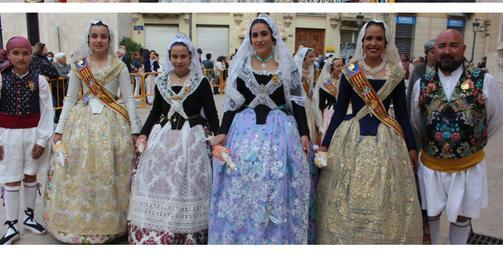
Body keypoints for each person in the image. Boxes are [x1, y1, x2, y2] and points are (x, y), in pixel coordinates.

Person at [208, 15, 311, 244]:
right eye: (255, 35)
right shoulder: (241, 66)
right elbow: (232, 104)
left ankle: (272, 239)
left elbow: (297, 102)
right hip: (244, 132)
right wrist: (223, 132)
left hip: (279, 134)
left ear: (273, 36)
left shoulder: (287, 67)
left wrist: (304, 134)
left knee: (275, 182)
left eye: (264, 33)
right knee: (242, 182)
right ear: (250, 39)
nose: (259, 39)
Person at [317, 19, 422, 243]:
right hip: (351, 138)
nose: (373, 43)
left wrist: (412, 146)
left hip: (386, 139)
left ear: (386, 42)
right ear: (362, 42)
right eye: (369, 38)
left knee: (385, 197)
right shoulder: (350, 72)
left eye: (378, 38)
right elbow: (338, 112)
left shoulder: (395, 73)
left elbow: (402, 114)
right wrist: (325, 144)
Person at [45, 21, 140, 243]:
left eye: (103, 36)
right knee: (78, 169)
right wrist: (59, 130)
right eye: (94, 36)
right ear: (88, 39)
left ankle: (110, 223)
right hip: (81, 122)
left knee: (111, 170)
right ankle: (78, 222)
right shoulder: (79, 66)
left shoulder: (120, 66)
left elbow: (127, 98)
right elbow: (70, 98)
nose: (98, 40)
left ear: (109, 40)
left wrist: (135, 129)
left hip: (113, 122)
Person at [411, 29, 503, 244]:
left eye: (453, 46)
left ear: (463, 49)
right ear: (434, 51)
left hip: (468, 167)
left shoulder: (484, 80)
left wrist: (472, 139)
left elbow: (496, 117)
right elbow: (417, 121)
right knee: (430, 214)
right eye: (442, 46)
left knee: (462, 217)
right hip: (431, 166)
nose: (447, 51)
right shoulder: (422, 83)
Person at [128, 34, 219, 244]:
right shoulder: (161, 81)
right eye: (175, 57)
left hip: (192, 139)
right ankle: (156, 231)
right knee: (158, 181)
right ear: (169, 57)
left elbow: (212, 113)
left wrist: (218, 135)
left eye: (183, 57)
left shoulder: (201, 82)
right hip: (163, 137)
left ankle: (185, 233)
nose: (179, 61)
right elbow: (155, 111)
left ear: (190, 57)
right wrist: (143, 133)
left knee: (185, 183)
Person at [0, 37, 53, 244]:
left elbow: (47, 110)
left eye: (25, 53)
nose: (21, 57)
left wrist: (41, 140)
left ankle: (29, 217)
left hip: (32, 133)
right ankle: (12, 224)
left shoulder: (39, 80)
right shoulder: (2, 78)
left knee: (30, 175)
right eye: (16, 53)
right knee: (11, 177)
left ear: (31, 55)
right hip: (8, 135)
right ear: (9, 55)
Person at [316, 57, 343, 136]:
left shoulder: (346, 80)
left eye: (342, 65)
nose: (341, 68)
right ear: (332, 68)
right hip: (330, 112)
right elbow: (320, 103)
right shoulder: (326, 83)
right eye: (338, 66)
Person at [407, 39, 435, 113]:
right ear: (426, 54)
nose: (435, 55)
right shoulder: (418, 69)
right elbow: (410, 91)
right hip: (418, 110)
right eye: (432, 52)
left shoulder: (442, 70)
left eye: (437, 52)